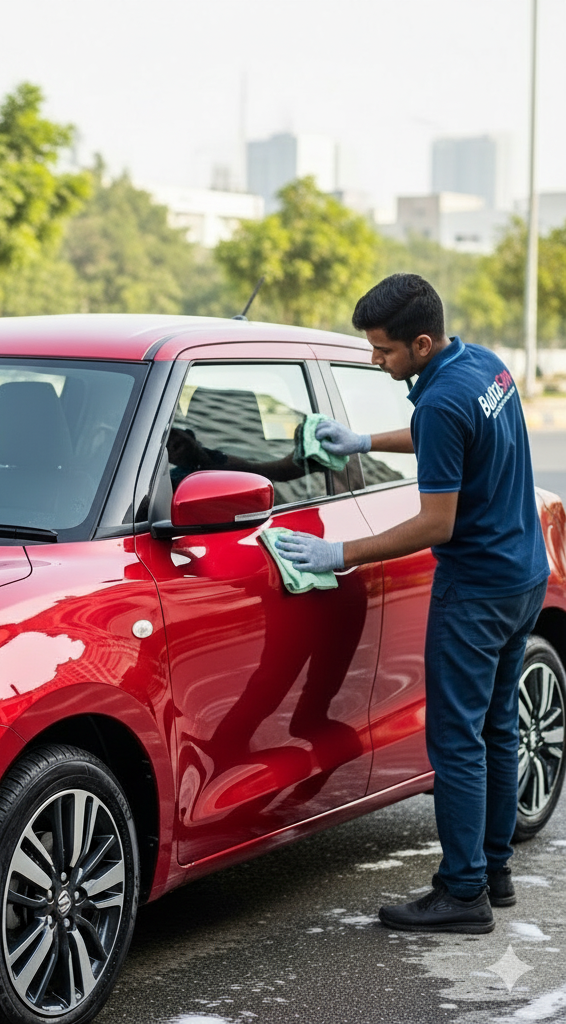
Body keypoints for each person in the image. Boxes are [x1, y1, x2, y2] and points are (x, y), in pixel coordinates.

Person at [274, 273, 548, 934]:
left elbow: (435, 524)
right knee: (494, 727)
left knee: (454, 739)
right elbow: (450, 437)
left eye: (385, 351)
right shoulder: (485, 366)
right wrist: (364, 442)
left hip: (478, 589)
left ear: (421, 343)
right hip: (524, 574)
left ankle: (461, 894)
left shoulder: (440, 403)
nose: (376, 360)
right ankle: (493, 871)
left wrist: (340, 554)